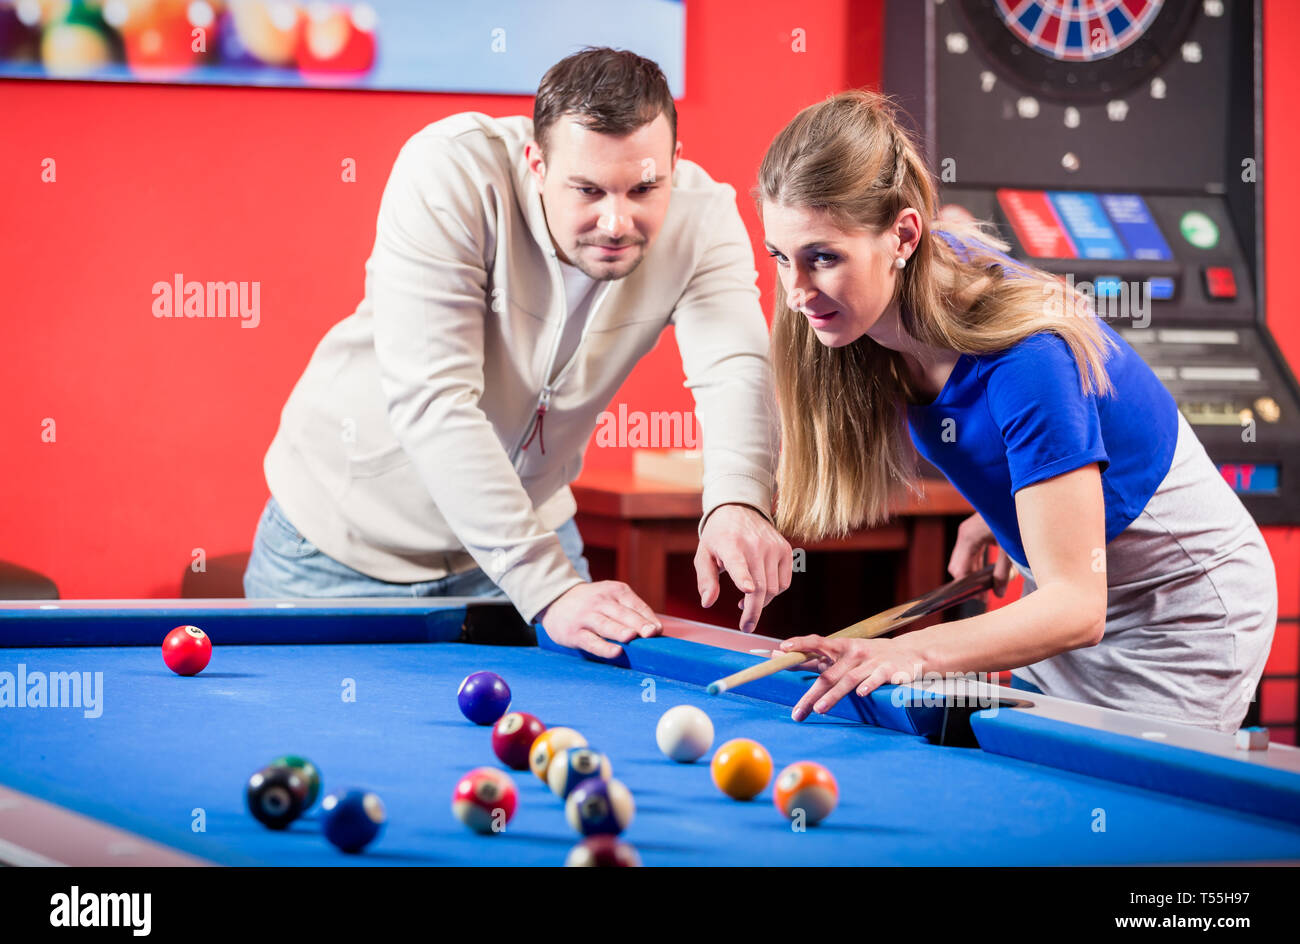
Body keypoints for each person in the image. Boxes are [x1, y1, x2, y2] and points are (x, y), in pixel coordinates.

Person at [244, 48, 792, 657]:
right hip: (337, 551)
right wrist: (551, 588)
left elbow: (736, 366)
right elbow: (435, 399)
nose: (616, 221)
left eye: (643, 187)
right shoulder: (450, 172)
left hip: (531, 535)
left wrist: (736, 498)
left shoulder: (703, 218)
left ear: (673, 164)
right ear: (536, 162)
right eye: (586, 189)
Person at [757, 89, 1276, 733]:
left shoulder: (1029, 357)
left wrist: (908, 651)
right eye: (781, 256)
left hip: (1176, 611)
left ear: (903, 236)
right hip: (1075, 591)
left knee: (1112, 821)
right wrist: (1014, 503)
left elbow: (1075, 608)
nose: (797, 291)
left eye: (823, 257)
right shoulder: (895, 293)